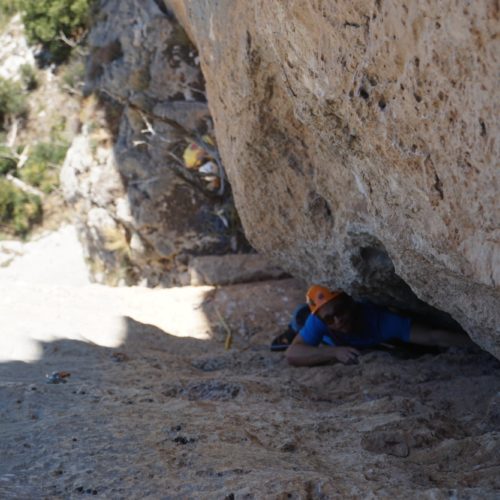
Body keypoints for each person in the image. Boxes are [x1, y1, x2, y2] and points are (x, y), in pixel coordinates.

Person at [285, 285, 473, 367]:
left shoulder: (380, 320)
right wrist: (334, 352)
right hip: (328, 341)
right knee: (298, 321)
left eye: (340, 311)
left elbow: (433, 336)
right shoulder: (318, 321)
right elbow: (293, 353)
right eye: (329, 319)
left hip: (369, 336)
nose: (337, 320)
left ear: (351, 302)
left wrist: (480, 344)